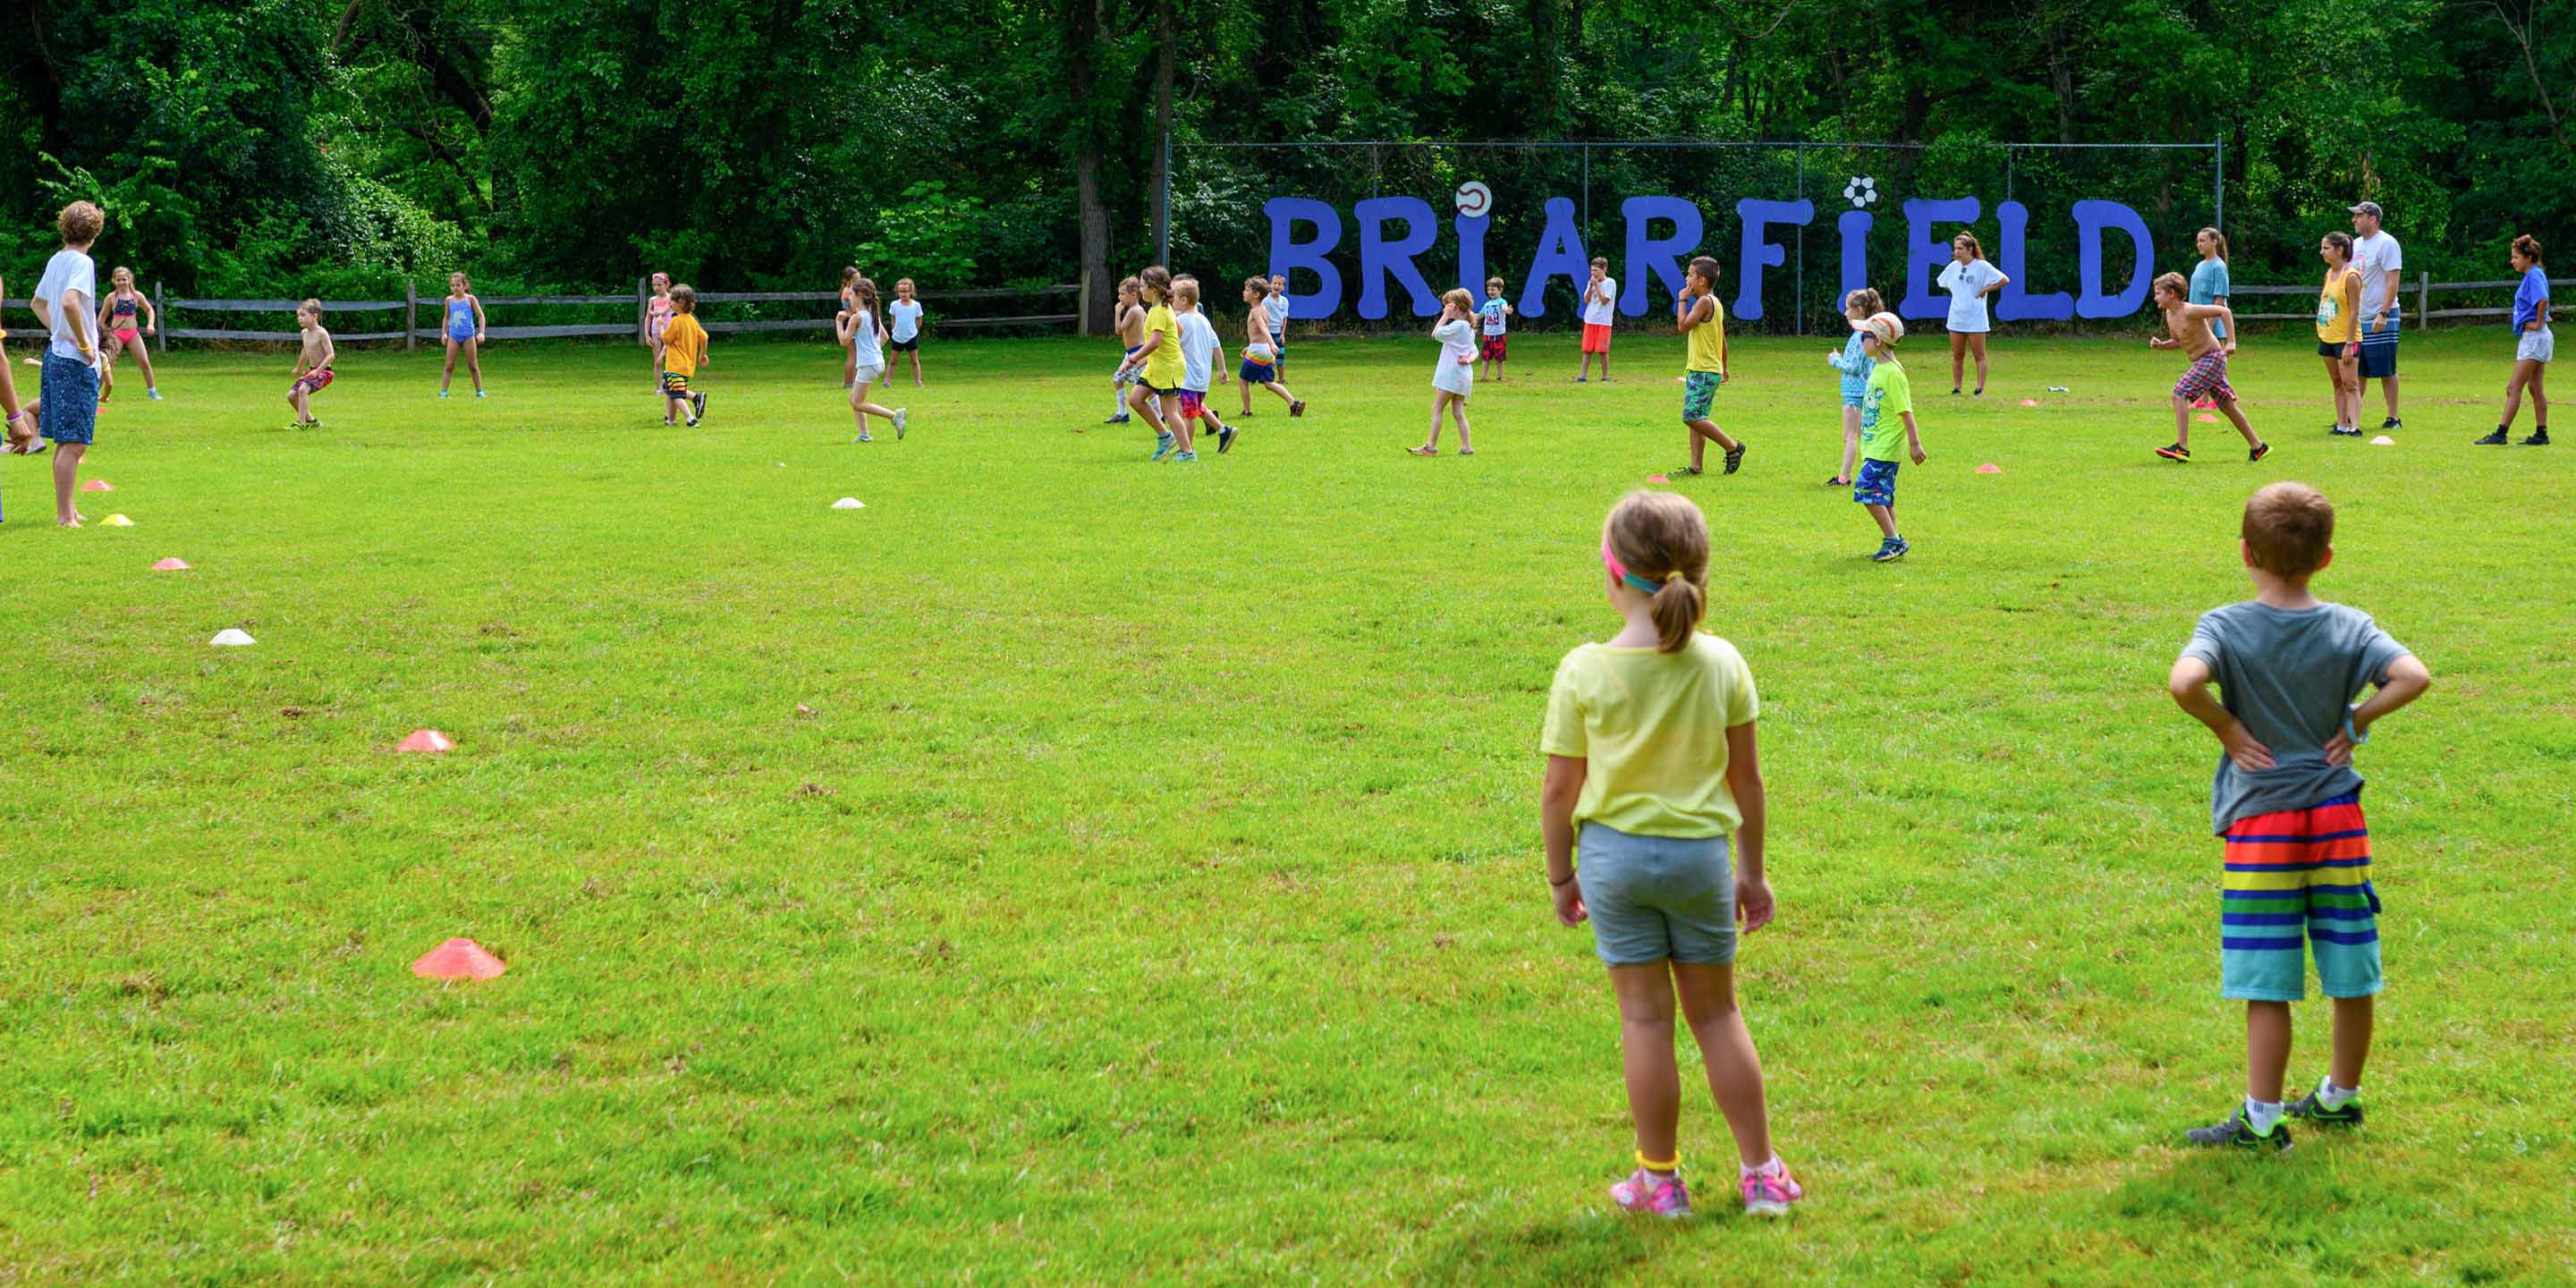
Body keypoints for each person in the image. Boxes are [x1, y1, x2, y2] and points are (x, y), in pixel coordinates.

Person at [1540, 489, 1801, 1221]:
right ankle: (1761, 1174)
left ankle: (1660, 1181)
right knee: (1717, 1017)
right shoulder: (1722, 665)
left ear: (1613, 574)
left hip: (1614, 865)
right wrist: (1751, 871)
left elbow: (1559, 792)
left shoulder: (1584, 672)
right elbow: (1745, 782)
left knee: (1646, 1023)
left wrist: (1561, 877)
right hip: (1699, 862)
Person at [2166, 481, 2432, 1152]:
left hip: (2263, 826)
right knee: (2350, 963)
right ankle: (2340, 1098)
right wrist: (2358, 719)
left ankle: (2262, 1119)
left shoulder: (2224, 625)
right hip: (2337, 816)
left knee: (2268, 976)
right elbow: (2414, 675)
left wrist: (2228, 729)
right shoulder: (2349, 624)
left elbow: (2185, 683)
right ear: (2327, 557)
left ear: (2245, 552)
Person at [30, 200, 106, 527]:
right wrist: (84, 343)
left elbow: (38, 304)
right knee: (74, 442)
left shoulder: (57, 260)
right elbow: (68, 303)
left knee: (66, 441)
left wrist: (60, 332)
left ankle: (70, 509)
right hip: (74, 361)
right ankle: (65, 517)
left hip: (56, 355)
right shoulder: (82, 263)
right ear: (94, 232)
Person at [2150, 271, 2269, 463]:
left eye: (2158, 293)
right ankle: (2258, 446)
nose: (2155, 297)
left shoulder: (2189, 310)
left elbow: (2224, 311)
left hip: (2212, 358)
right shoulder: (2169, 315)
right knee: (2227, 406)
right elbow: (2178, 341)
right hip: (2202, 362)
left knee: (2179, 393)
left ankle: (2181, 447)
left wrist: (2231, 342)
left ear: (2171, 293)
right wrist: (2162, 345)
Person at [1852, 312, 1924, 563]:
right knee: (1884, 496)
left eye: (1865, 336)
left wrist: (1915, 444)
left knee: (1865, 488)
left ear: (1878, 341)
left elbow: (1906, 411)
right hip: (1875, 445)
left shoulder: (1893, 373)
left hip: (1886, 448)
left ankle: (1893, 540)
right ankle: (1894, 540)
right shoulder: (1879, 368)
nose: (1861, 340)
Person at [1668, 256, 1743, 478]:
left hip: (1703, 370)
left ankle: (1732, 446)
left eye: (1690, 274)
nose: (1687, 278)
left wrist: (1682, 300)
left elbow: (1683, 326)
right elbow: (1722, 339)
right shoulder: (1715, 302)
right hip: (1706, 368)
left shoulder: (1702, 303)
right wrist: (1725, 367)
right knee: (1698, 418)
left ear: (1701, 280)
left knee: (1691, 416)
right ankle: (1696, 466)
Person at [2477, 234, 2550, 447]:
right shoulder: (2534, 274)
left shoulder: (2534, 275)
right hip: (2538, 338)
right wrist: (2543, 317)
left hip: (2535, 338)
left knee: (2513, 387)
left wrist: (2538, 321)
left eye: (2516, 257)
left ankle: (2501, 434)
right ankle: (2541, 434)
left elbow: (2543, 298)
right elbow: (2539, 301)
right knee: (2535, 387)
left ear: (2528, 257)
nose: (2513, 261)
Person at [1114, 266, 1191, 462]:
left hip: (1167, 367)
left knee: (1170, 411)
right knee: (1136, 400)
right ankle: (1165, 437)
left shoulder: (1159, 311)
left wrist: (1133, 359)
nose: (1140, 290)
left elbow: (1155, 341)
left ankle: (1188, 453)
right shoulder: (1162, 309)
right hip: (1157, 366)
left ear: (1154, 288)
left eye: (1142, 286)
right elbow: (1179, 330)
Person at [2350, 201, 2404, 431]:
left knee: (2385, 368)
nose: (2354, 220)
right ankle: (2352, 418)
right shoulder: (2355, 244)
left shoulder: (2387, 243)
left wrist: (2383, 312)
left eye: (2358, 216)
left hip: (2382, 314)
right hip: (2359, 316)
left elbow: (2393, 280)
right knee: (2357, 370)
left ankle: (2393, 417)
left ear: (2372, 219)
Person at [1822, 288, 1883, 487]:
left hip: (1856, 393)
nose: (1845, 313)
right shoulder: (1866, 334)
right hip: (1861, 391)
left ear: (1858, 310)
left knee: (1850, 437)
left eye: (1848, 308)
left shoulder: (1860, 336)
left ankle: (1844, 477)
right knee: (1858, 436)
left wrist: (1835, 360)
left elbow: (1854, 366)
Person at [1171, 275, 1236, 455]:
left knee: (1188, 414)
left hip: (1189, 377)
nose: (1171, 303)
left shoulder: (1183, 321)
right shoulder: (1203, 320)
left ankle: (1187, 449)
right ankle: (1224, 431)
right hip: (1202, 377)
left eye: (1174, 299)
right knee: (1195, 408)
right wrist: (1222, 369)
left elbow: (1171, 344)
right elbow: (1216, 345)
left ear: (1183, 301)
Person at [1409, 287, 1477, 456]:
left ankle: (1431, 447)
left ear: (1454, 307)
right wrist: (1468, 360)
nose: (1444, 308)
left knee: (1437, 408)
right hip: (1463, 375)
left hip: (1452, 375)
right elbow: (1474, 351)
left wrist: (1445, 316)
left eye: (1446, 305)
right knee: (1458, 412)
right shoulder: (1467, 327)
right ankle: (1466, 447)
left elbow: (1436, 334)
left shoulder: (1458, 325)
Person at [1936, 232, 2006, 395]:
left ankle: (1980, 388)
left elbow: (2004, 279)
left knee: (1979, 354)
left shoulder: (1981, 266)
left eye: (1960, 248)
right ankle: (1957, 388)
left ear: (1969, 249)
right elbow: (1942, 282)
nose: (1957, 252)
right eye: (1955, 248)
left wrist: (1985, 289)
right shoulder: (1953, 267)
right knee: (1957, 354)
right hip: (1956, 316)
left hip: (1976, 317)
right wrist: (1958, 292)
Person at [839, 276, 907, 443]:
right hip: (876, 362)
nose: (849, 298)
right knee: (854, 400)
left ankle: (895, 416)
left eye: (852, 295)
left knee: (857, 403)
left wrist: (839, 322)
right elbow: (884, 337)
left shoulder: (857, 317)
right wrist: (872, 349)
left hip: (869, 364)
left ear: (860, 296)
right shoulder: (871, 314)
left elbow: (844, 341)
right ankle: (864, 435)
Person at [2315, 233, 2363, 437]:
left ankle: (2355, 427)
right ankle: (2341, 424)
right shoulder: (2329, 273)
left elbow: (2354, 312)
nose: (2322, 252)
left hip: (2346, 339)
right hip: (2327, 336)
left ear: (2339, 250)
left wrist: (2349, 344)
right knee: (2336, 383)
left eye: (2325, 248)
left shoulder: (2351, 276)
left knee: (2350, 384)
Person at [1238, 278, 1306, 419]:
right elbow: (1259, 333)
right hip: (1265, 351)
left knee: (1243, 380)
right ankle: (1293, 402)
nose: (1244, 292)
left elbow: (1263, 329)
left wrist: (1272, 343)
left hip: (1258, 351)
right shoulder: (1264, 310)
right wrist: (1252, 346)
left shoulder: (1256, 311)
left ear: (1256, 295)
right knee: (1269, 383)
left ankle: (1247, 410)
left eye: (1247, 290)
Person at [2188, 229, 2232, 409]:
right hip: (2199, 321)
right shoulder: (2200, 265)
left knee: (2218, 362)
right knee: (2203, 362)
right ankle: (2204, 399)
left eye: (2203, 240)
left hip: (2214, 322)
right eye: (2198, 241)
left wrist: (2210, 324)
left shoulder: (2219, 267)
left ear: (2214, 242)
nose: (2199, 244)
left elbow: (2219, 299)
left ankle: (2225, 398)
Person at [101, 267, 159, 400]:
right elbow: (102, 318)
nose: (122, 282)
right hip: (116, 335)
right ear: (114, 281)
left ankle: (153, 392)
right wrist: (102, 333)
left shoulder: (137, 296)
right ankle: (95, 393)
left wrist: (150, 324)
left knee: (144, 362)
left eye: (124, 279)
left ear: (129, 279)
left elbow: (149, 310)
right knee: (107, 364)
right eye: (119, 280)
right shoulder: (111, 297)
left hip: (133, 334)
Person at [659, 284, 710, 428]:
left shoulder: (676, 321)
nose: (669, 303)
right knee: (669, 390)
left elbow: (666, 339)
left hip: (674, 365)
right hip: (687, 365)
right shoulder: (692, 320)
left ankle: (690, 419)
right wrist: (703, 354)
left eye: (671, 301)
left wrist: (661, 326)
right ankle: (671, 419)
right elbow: (704, 337)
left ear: (680, 302)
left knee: (676, 394)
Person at [285, 299, 335, 429]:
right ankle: (313, 422)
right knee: (291, 396)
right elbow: (305, 351)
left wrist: (318, 371)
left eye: (303, 315)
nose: (299, 318)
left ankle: (301, 423)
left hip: (325, 372)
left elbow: (331, 355)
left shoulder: (322, 333)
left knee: (303, 390)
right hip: (312, 370)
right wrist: (298, 367)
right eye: (298, 316)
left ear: (314, 317)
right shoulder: (304, 333)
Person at [436, 272, 487, 398]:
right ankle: (443, 392)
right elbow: (446, 318)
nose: (455, 288)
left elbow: (481, 316)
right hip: (454, 335)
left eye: (458, 285)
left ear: (464, 286)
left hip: (468, 336)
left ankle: (479, 391)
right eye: (452, 285)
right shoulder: (449, 300)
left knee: (473, 365)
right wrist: (444, 334)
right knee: (449, 365)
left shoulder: (470, 299)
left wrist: (481, 332)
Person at [1108, 275, 1148, 427]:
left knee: (1119, 379)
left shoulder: (1132, 311)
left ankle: (1123, 413)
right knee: (1146, 385)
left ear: (1134, 295)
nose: (1120, 298)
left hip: (1135, 353)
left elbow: (1119, 330)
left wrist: (1117, 312)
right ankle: (1123, 413)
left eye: (1122, 294)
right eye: (1119, 294)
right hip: (1134, 352)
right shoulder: (1142, 311)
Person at [1577, 257, 1617, 382]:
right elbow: (1586, 300)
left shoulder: (1610, 283)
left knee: (1602, 350)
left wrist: (1597, 286)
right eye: (1592, 270)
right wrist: (1590, 287)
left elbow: (1605, 300)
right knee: (1587, 349)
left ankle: (1605, 376)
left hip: (1604, 321)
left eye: (1596, 270)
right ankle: (1583, 376)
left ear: (1604, 269)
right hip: (1590, 320)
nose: (1593, 273)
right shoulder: (1591, 282)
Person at [884, 277, 926, 388]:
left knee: (914, 361)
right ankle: (887, 381)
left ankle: (918, 381)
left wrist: (914, 330)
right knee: (893, 361)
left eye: (905, 291)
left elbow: (919, 319)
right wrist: (894, 330)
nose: (903, 294)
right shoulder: (894, 304)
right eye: (900, 291)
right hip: (897, 337)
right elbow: (893, 318)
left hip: (911, 336)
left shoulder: (916, 305)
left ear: (911, 291)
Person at [1479, 275, 1513, 381]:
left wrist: (1507, 310)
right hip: (1487, 335)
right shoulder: (1487, 304)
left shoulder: (1501, 301)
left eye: (1493, 289)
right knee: (1486, 357)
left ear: (1500, 290)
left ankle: (1500, 376)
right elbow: (1480, 315)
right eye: (1488, 289)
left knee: (1500, 357)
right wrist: (1469, 315)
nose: (1490, 292)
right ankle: (1483, 376)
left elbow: (1504, 308)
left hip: (1499, 335)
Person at [645, 272, 674, 394]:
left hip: (669, 333)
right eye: (654, 285)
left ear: (666, 285)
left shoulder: (671, 298)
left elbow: (665, 311)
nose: (656, 288)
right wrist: (647, 335)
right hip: (656, 332)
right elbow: (648, 318)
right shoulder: (652, 300)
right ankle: (659, 388)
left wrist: (657, 313)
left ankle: (672, 386)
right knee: (658, 360)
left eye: (659, 285)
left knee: (671, 361)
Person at [837, 267, 862, 389]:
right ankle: (849, 382)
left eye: (859, 279)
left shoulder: (852, 290)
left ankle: (854, 381)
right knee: (853, 354)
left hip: (853, 321)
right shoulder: (848, 291)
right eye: (855, 279)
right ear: (847, 280)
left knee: (855, 354)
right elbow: (850, 309)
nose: (858, 282)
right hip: (850, 322)